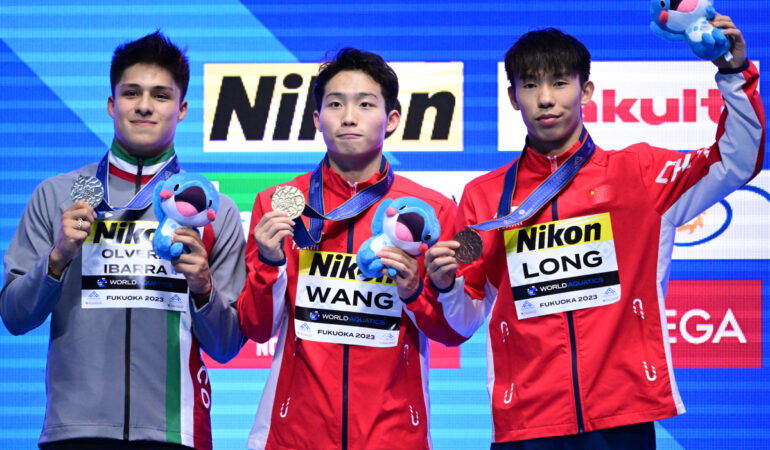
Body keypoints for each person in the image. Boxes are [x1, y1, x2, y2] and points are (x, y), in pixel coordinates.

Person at [421, 16, 765, 449]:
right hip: (527, 424)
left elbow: (736, 160)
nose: (546, 99)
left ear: (586, 91)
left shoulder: (640, 174)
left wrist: (733, 73)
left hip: (624, 414)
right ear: (512, 97)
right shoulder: (482, 196)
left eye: (560, 83)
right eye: (530, 86)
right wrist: (446, 284)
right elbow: (465, 319)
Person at [0, 31, 246, 450]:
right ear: (113, 104)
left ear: (182, 109)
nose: (145, 105)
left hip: (175, 431)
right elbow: (14, 316)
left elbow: (226, 346)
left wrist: (203, 287)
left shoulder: (214, 211)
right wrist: (57, 259)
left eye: (161, 95)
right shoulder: (56, 195)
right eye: (131, 93)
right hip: (75, 431)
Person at [237, 47, 461, 449]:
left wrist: (414, 293)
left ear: (391, 120)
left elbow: (452, 332)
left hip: (395, 435)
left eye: (365, 103)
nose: (349, 116)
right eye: (335, 103)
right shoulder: (279, 203)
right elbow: (256, 328)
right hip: (295, 434)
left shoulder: (431, 211)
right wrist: (269, 263)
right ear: (316, 119)